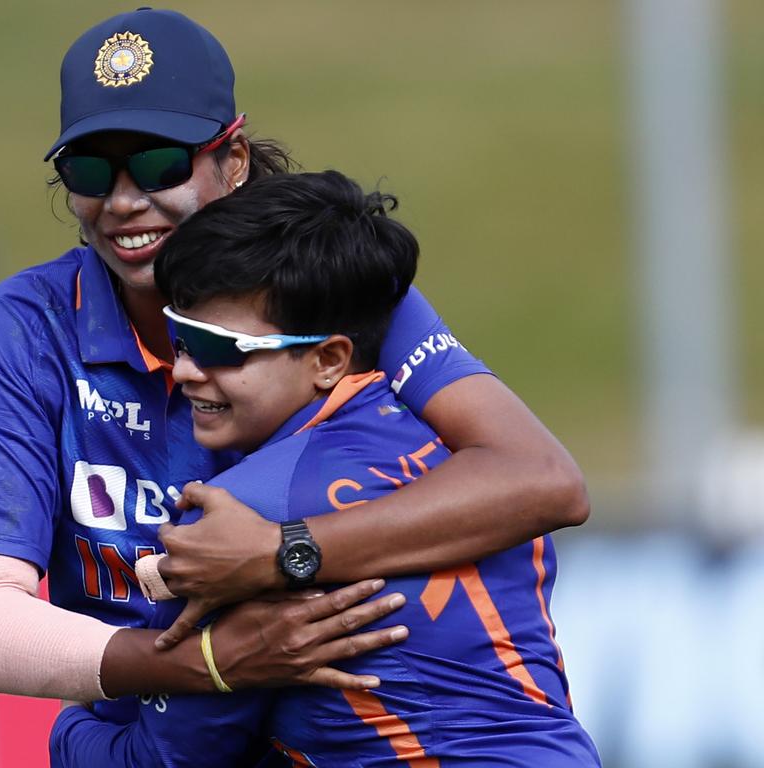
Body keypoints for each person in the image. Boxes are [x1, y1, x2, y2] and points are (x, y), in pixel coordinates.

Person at [0, 7, 588, 709]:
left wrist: (286, 552)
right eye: (89, 170)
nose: (124, 201)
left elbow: (542, 481)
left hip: (346, 724)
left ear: (234, 160)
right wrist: (213, 662)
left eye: (160, 163)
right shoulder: (28, 325)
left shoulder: (326, 282)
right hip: (159, 730)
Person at [51, 170, 601, 767]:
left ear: (328, 359)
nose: (183, 372)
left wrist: (72, 727)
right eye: (180, 339)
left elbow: (163, 763)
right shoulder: (472, 456)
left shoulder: (233, 523)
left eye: (216, 349)